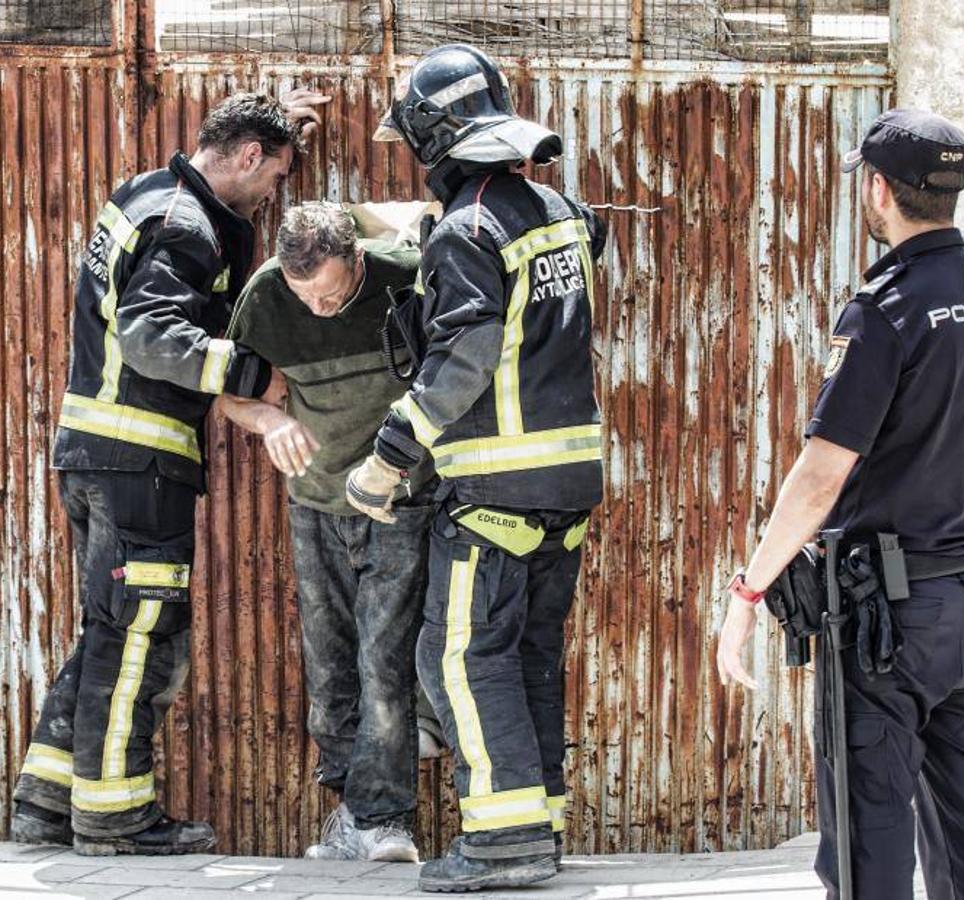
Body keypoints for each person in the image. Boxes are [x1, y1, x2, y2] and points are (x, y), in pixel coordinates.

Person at [716, 109, 964, 900]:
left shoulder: (885, 310)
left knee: (869, 825)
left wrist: (746, 592)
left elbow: (820, 474)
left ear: (876, 189)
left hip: (883, 619)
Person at [11, 88, 330, 857]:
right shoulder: (188, 227)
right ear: (249, 156)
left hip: (93, 452)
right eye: (274, 177)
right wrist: (253, 373)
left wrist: (280, 124)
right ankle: (116, 818)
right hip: (139, 462)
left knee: (109, 631)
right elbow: (153, 335)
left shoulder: (147, 193)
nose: (272, 196)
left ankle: (47, 803)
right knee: (143, 640)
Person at [346, 43, 607, 892]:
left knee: (457, 659)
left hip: (497, 482)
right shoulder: (558, 212)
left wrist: (387, 460)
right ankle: (540, 826)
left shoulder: (467, 230)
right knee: (525, 655)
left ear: (433, 139)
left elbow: (465, 352)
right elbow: (554, 248)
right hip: (567, 482)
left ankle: (500, 843)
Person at [219, 201, 437, 863]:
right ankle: (355, 813)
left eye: (332, 292)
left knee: (382, 659)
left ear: (360, 263)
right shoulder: (264, 297)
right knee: (330, 669)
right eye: (303, 293)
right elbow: (229, 394)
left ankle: (384, 821)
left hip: (398, 500)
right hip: (314, 503)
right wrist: (268, 421)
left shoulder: (404, 275)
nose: (317, 307)